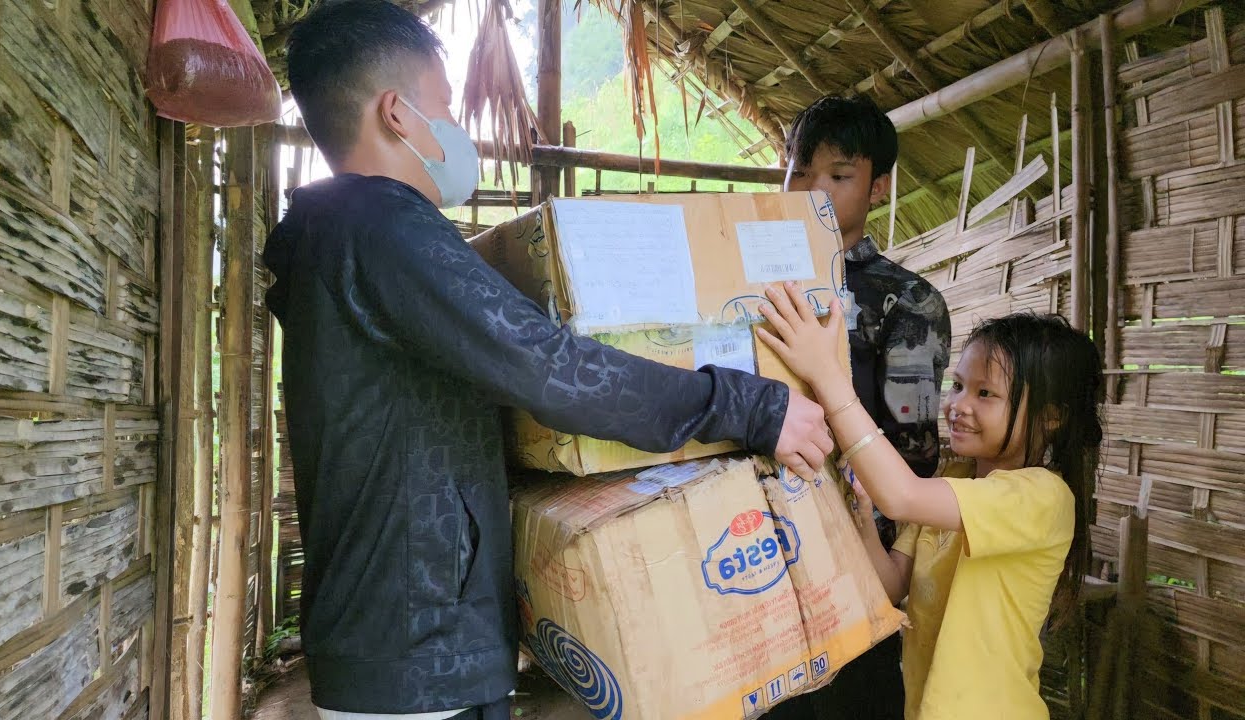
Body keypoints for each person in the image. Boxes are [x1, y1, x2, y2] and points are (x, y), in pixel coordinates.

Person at [264, 2, 835, 719]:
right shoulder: (380, 228)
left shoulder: (340, 237)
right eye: (445, 106)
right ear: (398, 115)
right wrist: (752, 405)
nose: (456, 131)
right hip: (414, 653)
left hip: (403, 641)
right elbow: (551, 369)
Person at [758, 283, 1102, 720]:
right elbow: (892, 586)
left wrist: (826, 376)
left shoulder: (1042, 497)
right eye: (957, 385)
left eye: (985, 394)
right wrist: (864, 515)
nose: (957, 405)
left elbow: (901, 496)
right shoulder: (954, 481)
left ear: (1051, 417)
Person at [768, 94, 951, 719]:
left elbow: (914, 450)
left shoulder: (908, 303)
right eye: (801, 169)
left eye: (840, 176)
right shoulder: (742, 281)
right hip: (750, 545)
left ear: (877, 188)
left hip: (852, 557)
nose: (813, 191)